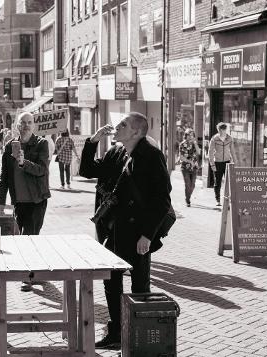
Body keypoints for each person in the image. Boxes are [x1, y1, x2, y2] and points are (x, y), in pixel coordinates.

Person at [79, 112, 172, 349]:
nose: (117, 127)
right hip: (115, 229)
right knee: (111, 281)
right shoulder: (117, 152)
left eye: (123, 124)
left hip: (139, 231)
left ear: (137, 132)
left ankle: (139, 334)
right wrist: (93, 141)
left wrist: (148, 235)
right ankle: (117, 331)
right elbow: (87, 170)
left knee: (139, 285)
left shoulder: (151, 155)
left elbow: (162, 199)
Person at [0, 112, 51, 291]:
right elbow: (4, 176)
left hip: (37, 200)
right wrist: (1, 201)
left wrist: (23, 162)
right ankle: (34, 272)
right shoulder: (8, 147)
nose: (26, 125)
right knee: (25, 238)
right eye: (23, 123)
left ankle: (28, 276)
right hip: (19, 202)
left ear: (34, 125)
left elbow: (42, 170)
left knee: (30, 236)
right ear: (17, 126)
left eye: (29, 122)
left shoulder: (42, 144)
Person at [208, 122, 236, 206]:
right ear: (219, 130)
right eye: (221, 130)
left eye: (224, 130)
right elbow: (210, 152)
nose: (223, 132)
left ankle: (228, 199)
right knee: (218, 182)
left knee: (229, 182)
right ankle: (218, 200)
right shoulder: (214, 139)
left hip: (227, 162)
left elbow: (232, 151)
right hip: (217, 162)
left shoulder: (229, 138)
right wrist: (212, 164)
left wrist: (235, 162)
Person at [179, 128, 200, 207]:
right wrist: (190, 162)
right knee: (188, 184)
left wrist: (195, 143)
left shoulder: (194, 144)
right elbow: (181, 157)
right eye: (189, 135)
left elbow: (199, 152)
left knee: (193, 185)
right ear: (186, 135)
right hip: (185, 167)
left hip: (194, 167)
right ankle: (187, 200)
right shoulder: (182, 144)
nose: (190, 137)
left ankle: (188, 197)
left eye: (192, 135)